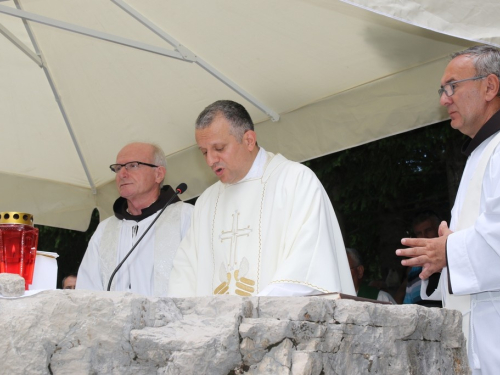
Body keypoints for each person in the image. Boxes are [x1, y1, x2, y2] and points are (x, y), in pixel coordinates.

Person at [168, 100, 355, 297]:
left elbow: (309, 265)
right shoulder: (207, 202)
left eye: (219, 148)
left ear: (248, 140)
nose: (210, 160)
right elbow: (185, 272)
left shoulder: (294, 181)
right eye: (204, 152)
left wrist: (252, 313)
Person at [396, 45, 500, 374]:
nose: (444, 99)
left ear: (490, 86)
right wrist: (443, 258)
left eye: (452, 86)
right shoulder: (482, 152)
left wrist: (448, 251)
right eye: (443, 90)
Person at [76, 142, 193, 296]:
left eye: (133, 166)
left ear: (158, 174)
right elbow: (86, 292)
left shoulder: (187, 218)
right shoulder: (105, 230)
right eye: (118, 168)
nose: (122, 174)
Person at [400, 210, 442, 307]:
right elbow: (408, 308)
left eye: (428, 230)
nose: (424, 236)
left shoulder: (450, 261)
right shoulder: (414, 271)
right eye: (419, 233)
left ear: (439, 230)